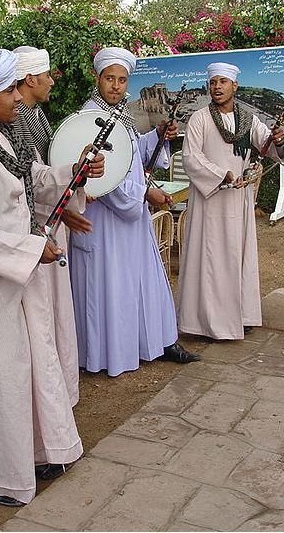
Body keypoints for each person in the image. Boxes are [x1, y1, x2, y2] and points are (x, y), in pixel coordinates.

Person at [0, 48, 104, 507]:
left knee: (27, 370)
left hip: (15, 280)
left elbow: (32, 178)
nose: (18, 96)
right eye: (10, 90)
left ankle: (37, 454)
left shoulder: (4, 140)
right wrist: (33, 247)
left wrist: (72, 171)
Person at [69, 46, 200, 377]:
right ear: (97, 79)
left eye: (122, 80)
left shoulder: (121, 115)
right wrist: (144, 194)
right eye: (110, 78)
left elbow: (130, 154)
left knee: (142, 281)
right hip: (104, 223)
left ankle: (155, 342)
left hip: (132, 220)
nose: (115, 85)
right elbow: (101, 179)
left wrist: (156, 136)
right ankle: (110, 354)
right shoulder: (89, 118)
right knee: (110, 287)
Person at [176, 62, 284, 341]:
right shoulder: (199, 118)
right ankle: (204, 322)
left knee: (238, 256)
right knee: (209, 259)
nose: (217, 87)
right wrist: (221, 175)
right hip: (209, 200)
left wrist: (278, 140)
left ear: (234, 86)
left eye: (223, 82)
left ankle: (240, 316)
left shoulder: (249, 119)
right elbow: (191, 157)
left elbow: (270, 146)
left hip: (237, 199)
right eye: (213, 82)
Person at [12, 45, 92, 406]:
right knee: (40, 317)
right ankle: (41, 393)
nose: (52, 81)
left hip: (51, 221)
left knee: (56, 312)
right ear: (30, 79)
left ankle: (57, 387)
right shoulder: (16, 122)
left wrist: (67, 202)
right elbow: (26, 181)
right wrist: (61, 209)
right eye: (47, 75)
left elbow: (45, 171)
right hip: (34, 232)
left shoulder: (38, 116)